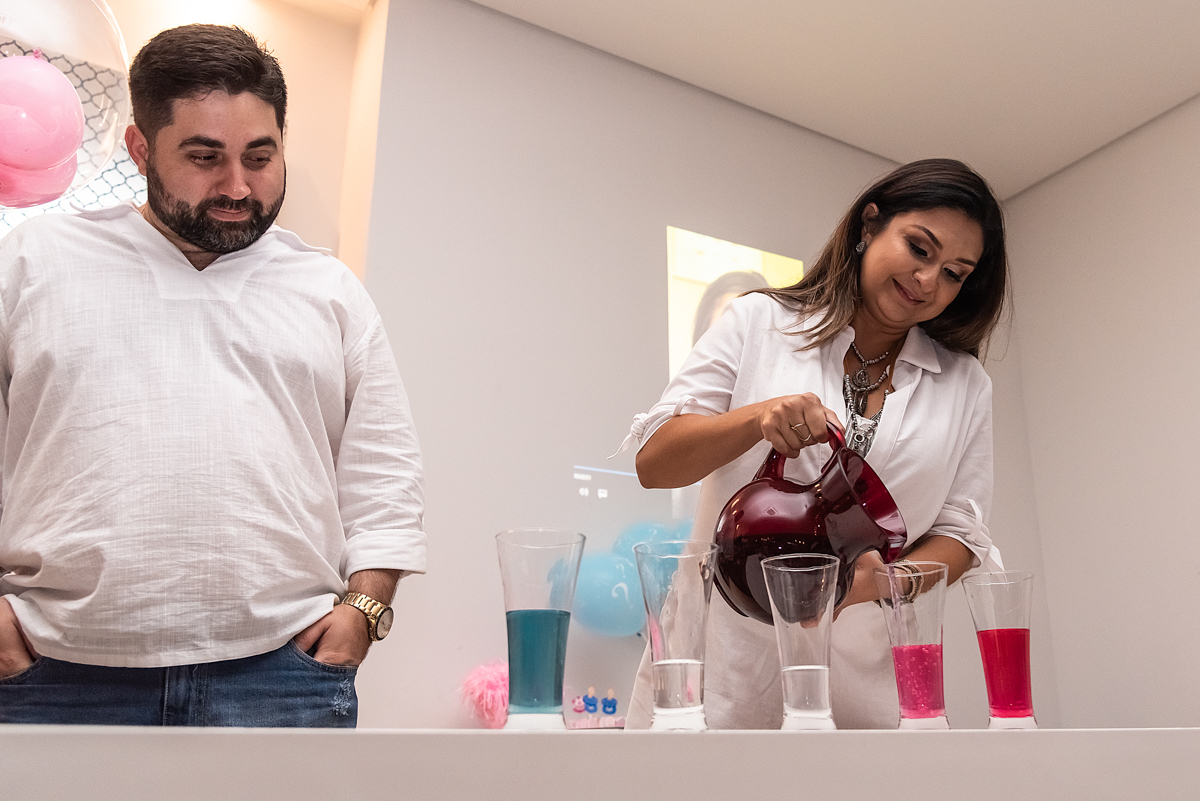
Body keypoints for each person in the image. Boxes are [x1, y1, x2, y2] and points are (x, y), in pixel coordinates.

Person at [0, 25, 425, 727]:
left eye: (261, 156)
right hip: (54, 674)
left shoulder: (329, 290)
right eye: (204, 157)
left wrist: (366, 608)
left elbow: (384, 471)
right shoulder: (34, 263)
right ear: (141, 149)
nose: (237, 185)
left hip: (283, 678)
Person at [623, 159, 1006, 729]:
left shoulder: (965, 385)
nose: (929, 281)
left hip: (868, 694)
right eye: (919, 249)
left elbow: (962, 533)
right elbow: (655, 461)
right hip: (721, 683)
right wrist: (756, 419)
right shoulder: (759, 323)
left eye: (955, 273)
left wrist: (875, 584)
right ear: (869, 225)